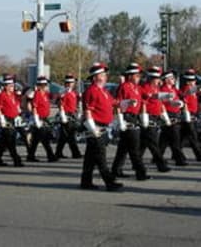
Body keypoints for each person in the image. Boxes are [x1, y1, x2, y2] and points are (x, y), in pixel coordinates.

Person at [80, 63, 123, 191]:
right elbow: (88, 111)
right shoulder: (91, 91)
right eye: (102, 75)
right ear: (94, 77)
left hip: (103, 128)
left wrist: (126, 102)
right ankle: (110, 182)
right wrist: (93, 129)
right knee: (101, 158)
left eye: (105, 74)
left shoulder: (103, 91)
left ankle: (86, 182)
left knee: (90, 158)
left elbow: (114, 103)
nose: (105, 77)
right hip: (96, 128)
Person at [111, 63, 150, 180]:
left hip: (135, 117)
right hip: (127, 117)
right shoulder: (124, 87)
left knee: (123, 148)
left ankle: (116, 170)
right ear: (129, 76)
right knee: (134, 148)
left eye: (139, 75)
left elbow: (147, 97)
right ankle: (140, 172)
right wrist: (120, 120)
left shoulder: (138, 88)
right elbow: (118, 103)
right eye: (136, 75)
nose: (139, 77)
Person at [140, 66, 171, 172]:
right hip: (149, 117)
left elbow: (160, 103)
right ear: (152, 78)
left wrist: (165, 116)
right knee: (153, 143)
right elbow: (149, 98)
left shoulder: (156, 88)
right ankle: (161, 165)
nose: (159, 80)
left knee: (143, 144)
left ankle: (137, 162)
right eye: (157, 78)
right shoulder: (145, 87)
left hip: (156, 117)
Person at [0, 74, 24, 167]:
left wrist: (18, 114)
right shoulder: (2, 95)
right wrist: (2, 119)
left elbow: (17, 105)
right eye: (10, 86)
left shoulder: (13, 95)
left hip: (14, 119)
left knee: (4, 142)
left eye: (13, 86)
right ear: (5, 86)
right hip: (6, 119)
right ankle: (16, 160)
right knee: (11, 141)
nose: (12, 87)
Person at [159, 70, 188, 166]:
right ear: (166, 80)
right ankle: (179, 159)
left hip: (175, 115)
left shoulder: (173, 89)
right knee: (175, 139)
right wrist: (178, 103)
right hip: (169, 115)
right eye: (171, 78)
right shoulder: (163, 89)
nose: (174, 80)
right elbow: (166, 102)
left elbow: (182, 94)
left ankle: (157, 157)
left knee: (164, 140)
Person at [27, 76, 57, 162]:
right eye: (43, 85)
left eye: (45, 85)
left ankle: (30, 156)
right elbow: (34, 107)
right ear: (39, 85)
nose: (45, 86)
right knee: (45, 139)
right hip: (39, 119)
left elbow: (53, 97)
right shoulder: (37, 94)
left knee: (36, 140)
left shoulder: (45, 94)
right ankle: (51, 156)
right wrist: (36, 120)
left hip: (44, 118)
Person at [55, 74, 82, 159]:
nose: (74, 83)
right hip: (66, 116)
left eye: (74, 82)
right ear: (68, 83)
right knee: (71, 135)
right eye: (72, 82)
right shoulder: (63, 92)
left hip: (72, 115)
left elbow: (75, 104)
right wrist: (63, 115)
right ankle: (76, 153)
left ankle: (58, 153)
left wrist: (78, 111)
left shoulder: (73, 92)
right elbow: (60, 103)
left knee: (64, 136)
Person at [180, 69, 201, 161]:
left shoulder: (194, 91)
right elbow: (186, 94)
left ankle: (177, 152)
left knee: (182, 136)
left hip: (194, 114)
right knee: (193, 137)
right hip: (188, 115)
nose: (194, 82)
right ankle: (199, 155)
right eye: (193, 81)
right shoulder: (186, 89)